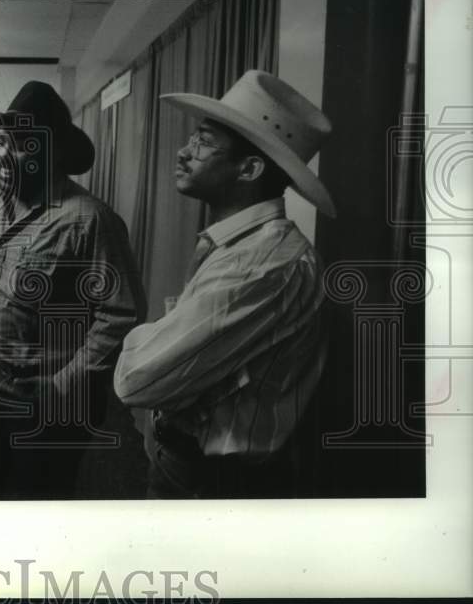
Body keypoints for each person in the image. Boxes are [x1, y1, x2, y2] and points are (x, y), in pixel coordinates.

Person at [114, 70, 335, 499]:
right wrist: (163, 335)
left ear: (249, 168)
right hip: (197, 468)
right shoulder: (244, 247)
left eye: (203, 143)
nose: (183, 152)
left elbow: (135, 380)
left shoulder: (259, 264)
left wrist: (152, 336)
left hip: (214, 482)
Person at [0, 81, 146, 500]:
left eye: (23, 144)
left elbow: (121, 315)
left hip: (47, 397)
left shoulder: (90, 221)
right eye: (5, 140)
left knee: (33, 509)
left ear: (54, 153)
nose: (5, 153)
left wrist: (64, 384)